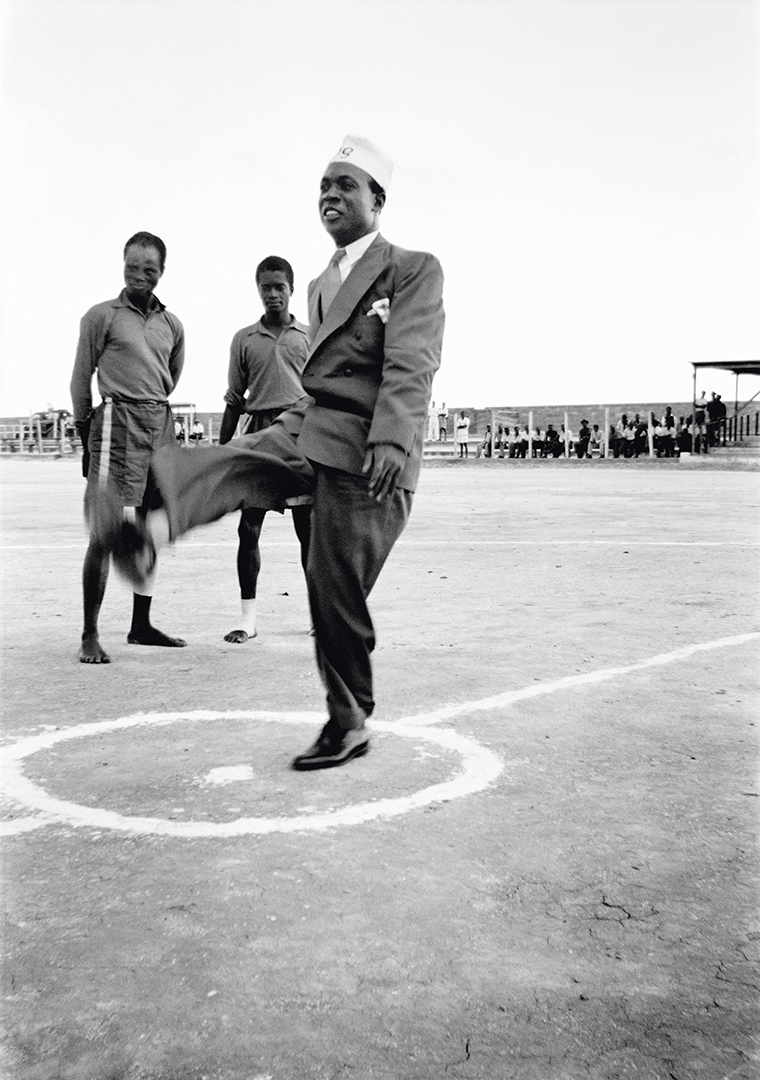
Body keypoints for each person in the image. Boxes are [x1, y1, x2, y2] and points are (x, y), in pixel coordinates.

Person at [99, 135, 445, 771]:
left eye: (346, 185)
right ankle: (150, 530)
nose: (330, 195)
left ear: (379, 199)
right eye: (323, 186)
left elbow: (411, 363)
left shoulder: (413, 267)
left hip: (371, 449)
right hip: (309, 422)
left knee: (331, 584)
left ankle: (349, 721)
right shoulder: (320, 283)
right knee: (238, 456)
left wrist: (395, 439)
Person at [70, 231, 186, 664]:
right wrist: (87, 434)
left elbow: (170, 375)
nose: (141, 276)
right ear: (122, 265)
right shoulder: (100, 316)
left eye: (150, 269)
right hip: (115, 424)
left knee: (150, 527)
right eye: (133, 268)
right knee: (104, 532)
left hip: (159, 424)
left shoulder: (172, 324)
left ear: (161, 271)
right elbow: (81, 379)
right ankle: (89, 633)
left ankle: (141, 625)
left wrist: (153, 408)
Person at [218, 256, 312, 643]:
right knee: (248, 528)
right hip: (259, 436)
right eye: (266, 287)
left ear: (291, 288)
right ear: (258, 290)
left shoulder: (309, 335)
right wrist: (223, 451)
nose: (273, 294)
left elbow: (323, 394)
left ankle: (318, 616)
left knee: (308, 533)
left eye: (280, 287)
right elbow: (234, 399)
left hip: (298, 437)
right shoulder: (244, 339)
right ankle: (248, 619)